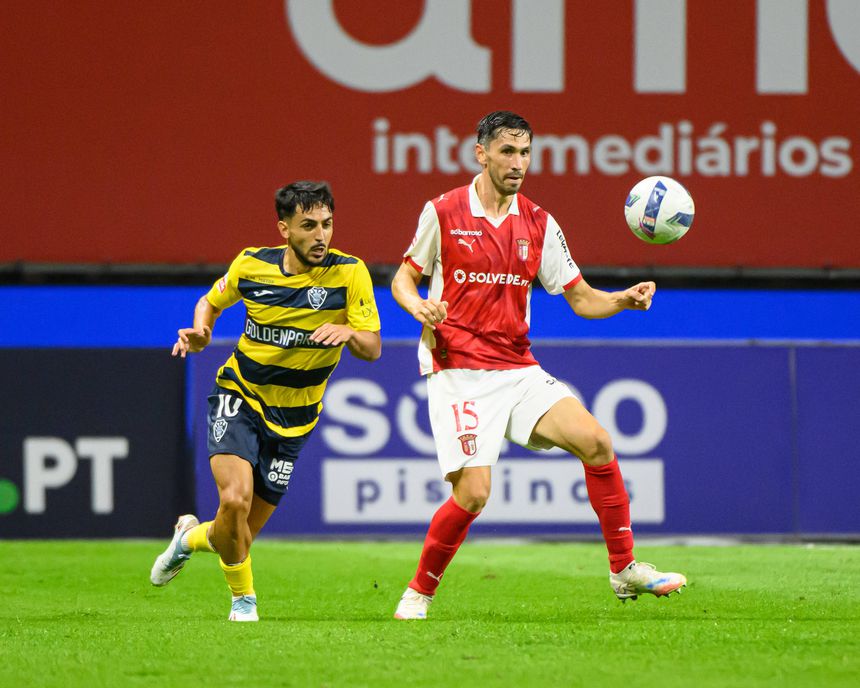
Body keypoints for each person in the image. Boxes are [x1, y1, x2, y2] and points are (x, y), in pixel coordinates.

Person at [391, 111, 686, 620]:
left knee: (595, 441)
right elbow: (402, 280)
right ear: (480, 153)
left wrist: (623, 299)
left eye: (525, 153)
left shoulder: (540, 223)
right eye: (507, 151)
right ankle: (417, 593)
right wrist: (419, 307)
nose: (518, 163)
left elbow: (582, 299)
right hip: (458, 369)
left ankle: (624, 570)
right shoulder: (442, 212)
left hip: (516, 367)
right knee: (475, 493)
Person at [150, 181, 381, 621]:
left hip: (295, 419)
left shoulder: (350, 273)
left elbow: (373, 348)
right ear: (284, 229)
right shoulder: (252, 265)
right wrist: (202, 331)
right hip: (240, 394)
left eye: (327, 225)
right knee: (234, 500)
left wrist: (351, 333)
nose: (321, 235)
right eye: (308, 225)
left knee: (235, 536)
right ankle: (244, 601)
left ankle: (186, 538)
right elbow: (211, 301)